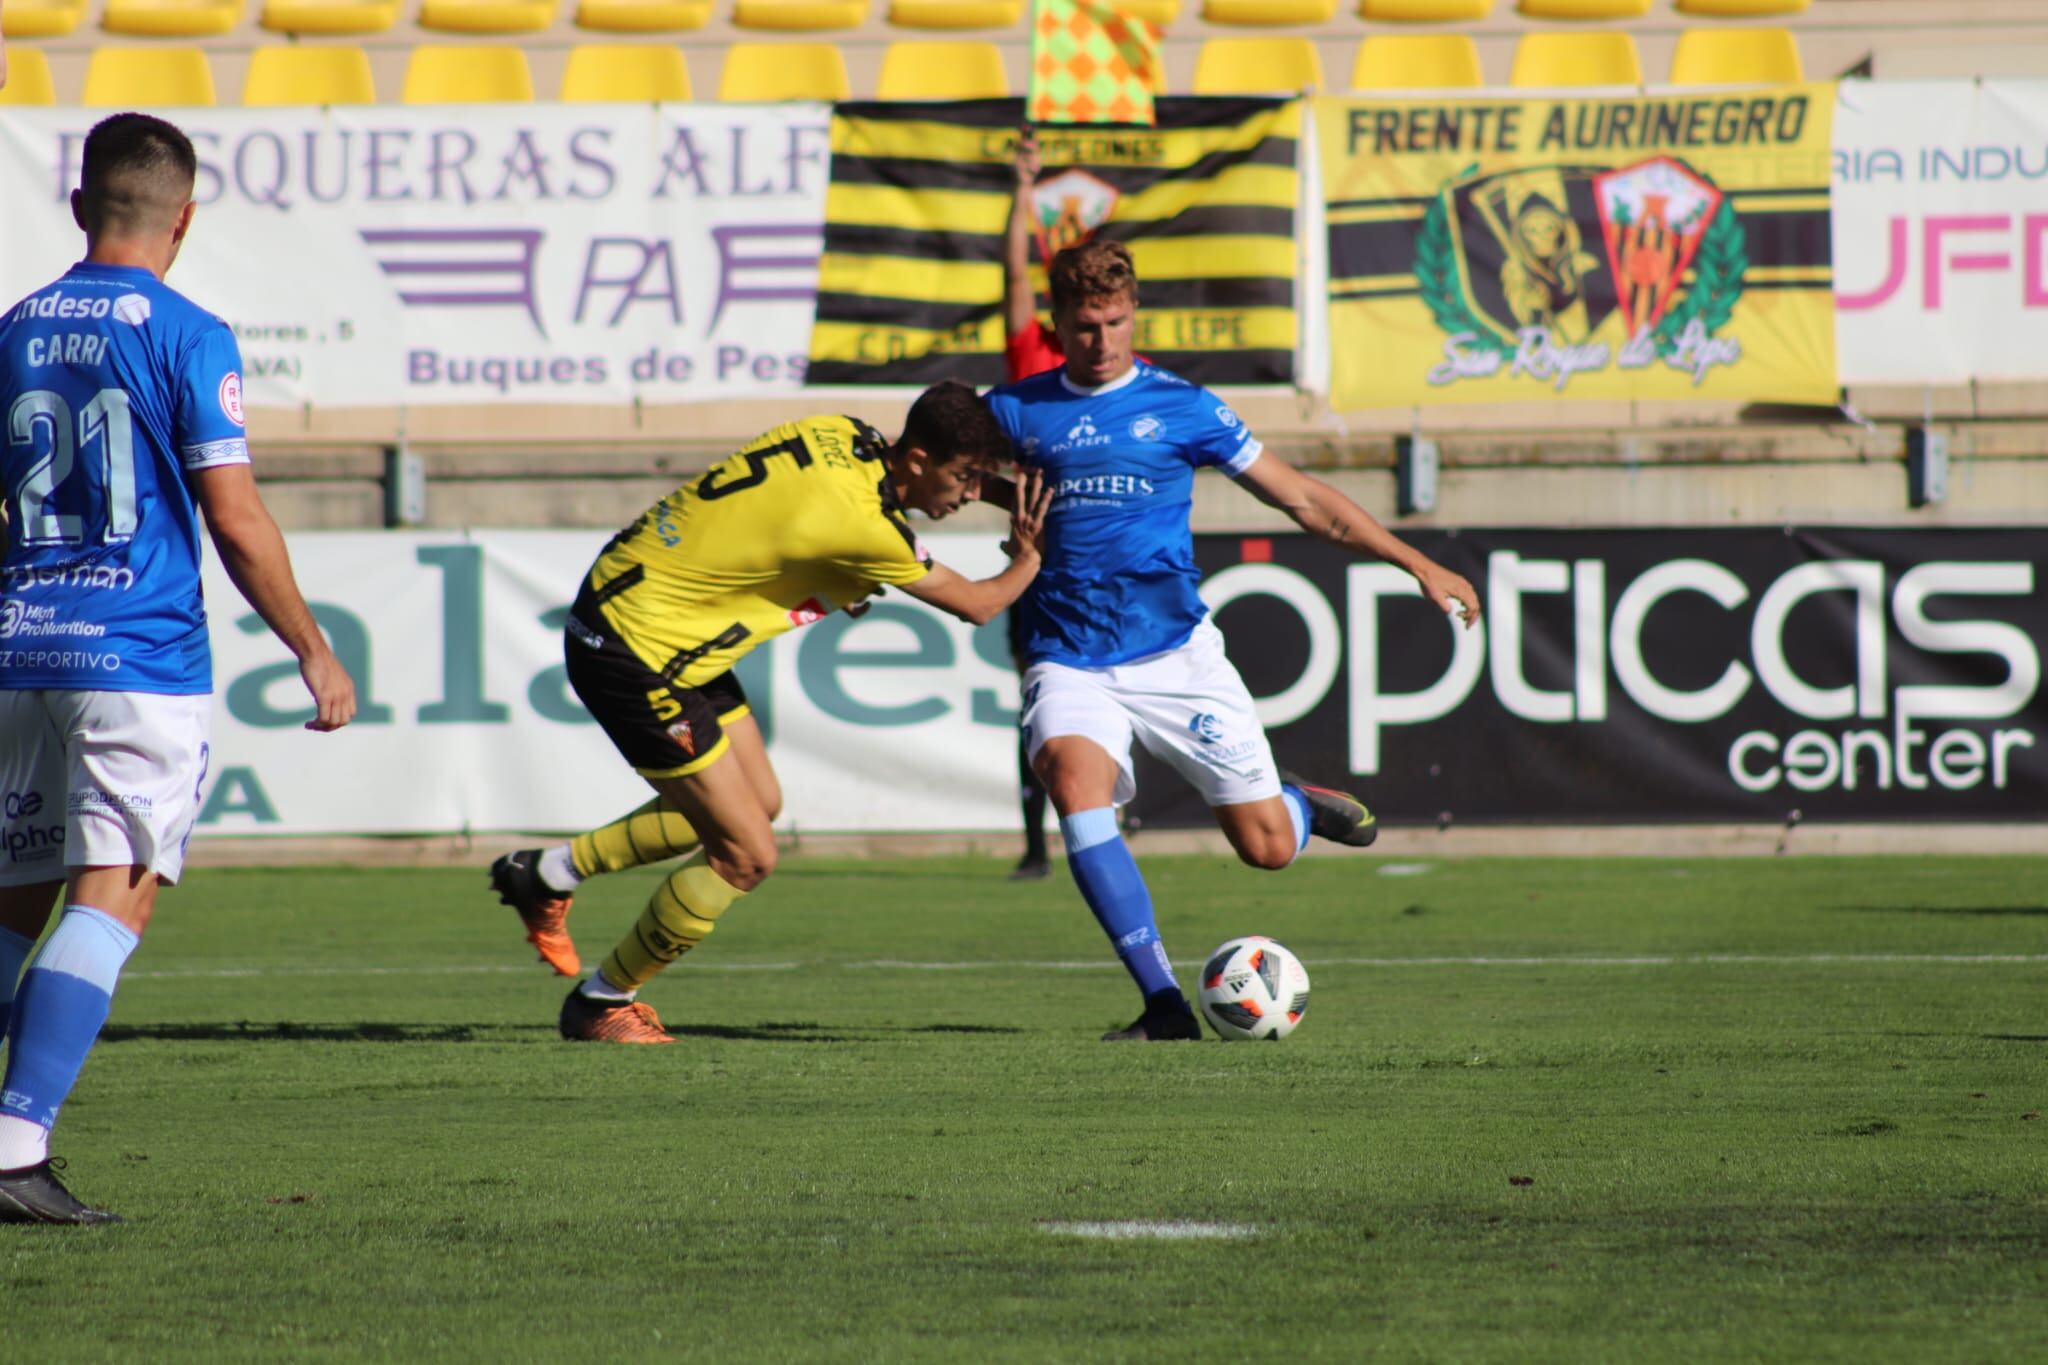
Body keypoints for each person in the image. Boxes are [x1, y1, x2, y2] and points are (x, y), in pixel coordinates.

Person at [984, 239, 1483, 1043]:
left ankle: (1300, 805)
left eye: (1114, 322)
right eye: (1084, 327)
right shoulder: (1015, 409)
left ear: (1133, 312)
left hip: (1176, 656)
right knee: (1075, 793)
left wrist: (1418, 562)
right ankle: (1164, 1005)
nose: (1102, 341)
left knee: (1268, 849)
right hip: (1069, 654)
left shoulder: (1185, 407)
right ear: (1058, 322)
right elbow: (947, 475)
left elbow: (1305, 502)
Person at [0, 113, 357, 1223]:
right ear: (184, 219)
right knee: (120, 891)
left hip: (17, 644)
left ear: (77, 210)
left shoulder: (11, 328)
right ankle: (13, 1150)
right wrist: (311, 644)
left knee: (11, 898)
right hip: (136, 651)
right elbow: (234, 515)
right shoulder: (189, 331)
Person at [494, 383, 1049, 1044]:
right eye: (962, 477)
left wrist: (1005, 489)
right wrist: (1031, 555)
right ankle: (602, 1002)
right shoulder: (864, 525)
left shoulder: (840, 433)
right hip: (634, 649)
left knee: (756, 802)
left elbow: (776, 516)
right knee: (747, 853)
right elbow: (980, 604)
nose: (965, 494)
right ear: (920, 458)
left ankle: (548, 873)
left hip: (654, 608)